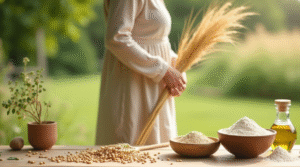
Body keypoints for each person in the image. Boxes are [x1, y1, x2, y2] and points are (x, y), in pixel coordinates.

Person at [95, 0, 187, 146]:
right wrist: (163, 69)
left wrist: (174, 66)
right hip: (132, 85)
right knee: (130, 146)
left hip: (154, 83)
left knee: (156, 148)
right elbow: (116, 38)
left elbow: (154, 38)